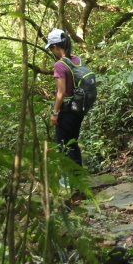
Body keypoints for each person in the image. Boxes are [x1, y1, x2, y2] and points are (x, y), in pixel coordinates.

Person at [45, 28, 84, 167]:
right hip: (79, 109)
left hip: (67, 111)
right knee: (73, 143)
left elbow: (60, 93)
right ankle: (79, 180)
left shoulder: (60, 65)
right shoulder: (77, 60)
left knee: (63, 146)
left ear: (55, 46)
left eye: (51, 48)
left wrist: (55, 114)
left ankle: (71, 182)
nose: (52, 51)